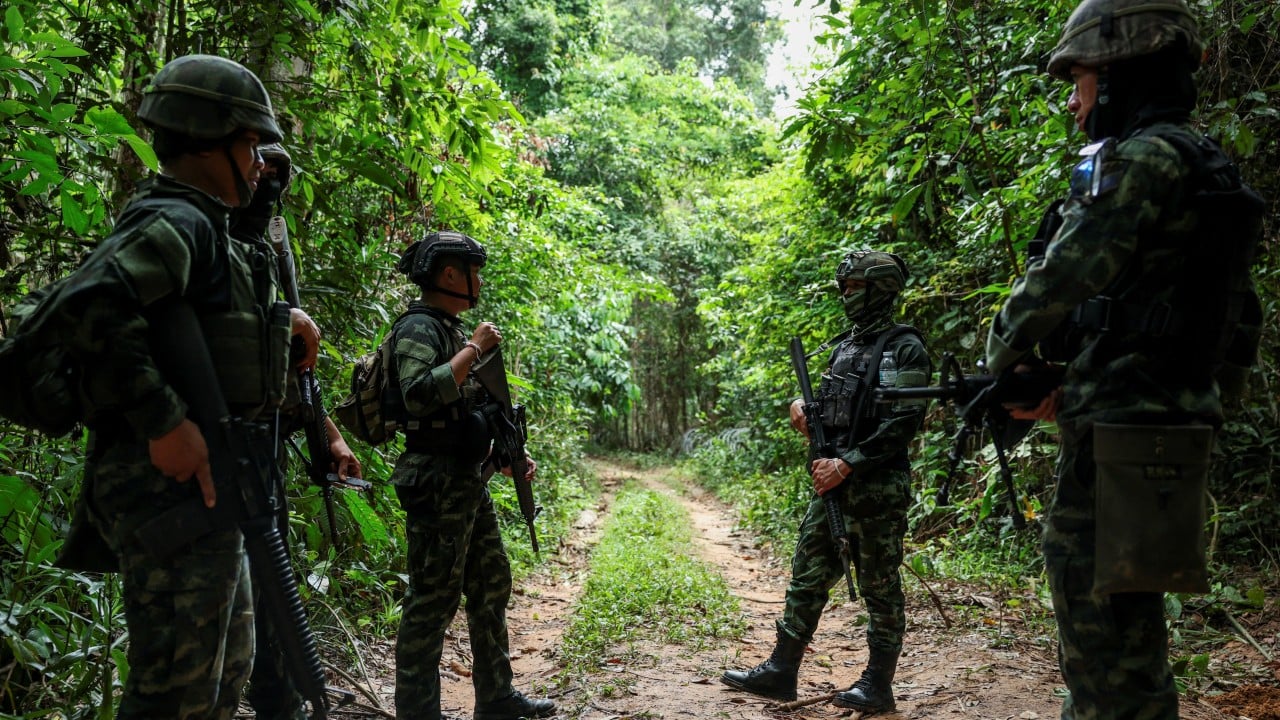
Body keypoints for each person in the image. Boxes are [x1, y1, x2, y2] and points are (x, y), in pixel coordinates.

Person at [985, 1, 1263, 717]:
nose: (1073, 103)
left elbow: (1062, 275)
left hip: (1117, 435)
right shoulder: (1208, 167)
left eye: (1079, 82)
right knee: (1130, 625)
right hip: (1171, 426)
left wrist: (1002, 355)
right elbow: (1236, 316)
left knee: (1100, 631)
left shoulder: (1140, 160)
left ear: (1115, 77)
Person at [62, 54, 306, 719]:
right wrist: (164, 421)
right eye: (249, 146)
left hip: (212, 487)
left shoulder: (207, 224)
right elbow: (91, 310)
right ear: (205, 142)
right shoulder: (172, 219)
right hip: (166, 491)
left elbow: (201, 319)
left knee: (223, 677)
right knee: (175, 689)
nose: (258, 164)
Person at [721, 250, 930, 713]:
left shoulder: (905, 347)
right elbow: (832, 406)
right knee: (808, 574)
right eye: (845, 288)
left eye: (855, 287)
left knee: (878, 584)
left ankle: (878, 684)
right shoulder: (844, 346)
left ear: (881, 290)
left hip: (876, 487)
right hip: (831, 482)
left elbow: (904, 422)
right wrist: (801, 408)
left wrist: (849, 462)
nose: (846, 296)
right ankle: (781, 670)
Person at [389, 231, 555, 720]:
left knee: (490, 582)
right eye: (472, 272)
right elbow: (417, 394)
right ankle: (418, 712)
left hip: (465, 479)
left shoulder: (450, 330)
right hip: (435, 481)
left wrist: (505, 455)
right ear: (449, 274)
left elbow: (469, 411)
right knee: (432, 600)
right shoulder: (419, 328)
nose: (478, 282)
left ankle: (496, 697)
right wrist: (474, 350)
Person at [230, 142, 364, 720]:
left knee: (271, 585)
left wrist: (329, 434)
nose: (268, 181)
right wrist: (281, 319)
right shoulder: (196, 237)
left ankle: (279, 700)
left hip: (265, 446)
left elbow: (294, 369)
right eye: (260, 166)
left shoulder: (269, 249)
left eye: (278, 174)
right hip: (210, 452)